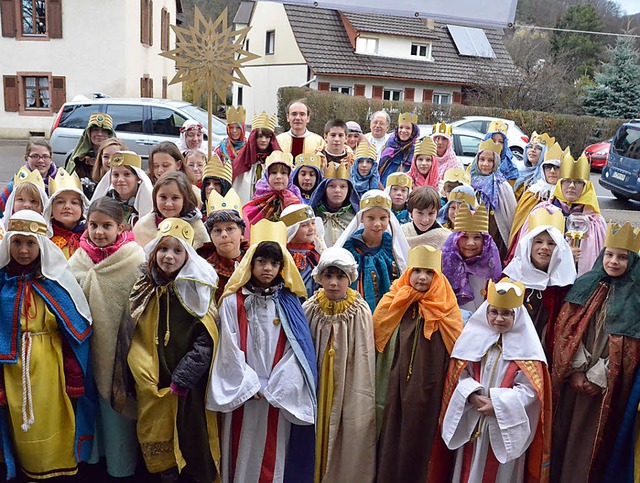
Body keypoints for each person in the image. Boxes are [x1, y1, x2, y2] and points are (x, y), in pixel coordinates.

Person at [207, 220, 317, 483]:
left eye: (274, 263)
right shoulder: (233, 302)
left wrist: (278, 385)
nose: (267, 268)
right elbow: (227, 348)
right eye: (261, 262)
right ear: (250, 264)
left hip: (278, 394)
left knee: (274, 454)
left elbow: (297, 351)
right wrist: (249, 383)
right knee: (240, 451)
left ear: (282, 267)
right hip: (245, 393)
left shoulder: (290, 303)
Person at [117, 218, 220, 482]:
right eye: (163, 249)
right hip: (153, 380)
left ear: (188, 256)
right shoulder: (143, 287)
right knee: (158, 439)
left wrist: (183, 378)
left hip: (188, 386)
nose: (169, 257)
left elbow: (206, 340)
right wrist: (143, 374)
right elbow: (132, 335)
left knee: (191, 437)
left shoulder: (198, 291)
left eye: (177, 250)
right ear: (153, 252)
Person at [0, 210, 95, 480]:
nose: (23, 250)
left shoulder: (54, 283)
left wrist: (74, 373)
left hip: (51, 368)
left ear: (42, 245)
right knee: (20, 424)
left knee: (53, 420)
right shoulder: (2, 283)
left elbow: (74, 332)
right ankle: (26, 469)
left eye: (31, 243)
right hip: (12, 369)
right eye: (17, 242)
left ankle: (58, 468)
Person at [551, 222, 640, 483]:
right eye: (610, 255)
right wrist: (576, 371)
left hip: (602, 389)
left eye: (623, 257)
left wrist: (597, 377)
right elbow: (565, 330)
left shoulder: (636, 298)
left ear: (633, 262)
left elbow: (630, 349)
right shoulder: (585, 284)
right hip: (572, 380)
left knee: (587, 439)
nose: (614, 262)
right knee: (563, 431)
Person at [440, 278, 551, 483]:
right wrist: (472, 395)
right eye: (494, 312)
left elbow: (530, 390)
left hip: (504, 423)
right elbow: (460, 375)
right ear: (486, 313)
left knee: (500, 473)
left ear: (517, 315)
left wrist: (498, 404)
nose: (499, 319)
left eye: (506, 313)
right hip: (473, 418)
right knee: (467, 466)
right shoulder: (471, 340)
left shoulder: (528, 351)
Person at [68, 197, 144, 478]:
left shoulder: (135, 258)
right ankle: (92, 460)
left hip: (120, 351)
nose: (99, 232)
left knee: (118, 416)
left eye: (106, 226)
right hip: (86, 350)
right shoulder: (79, 258)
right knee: (92, 409)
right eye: (93, 225)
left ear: (120, 226)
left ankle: (121, 465)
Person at [374, 245, 463, 483]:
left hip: (429, 386)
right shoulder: (393, 299)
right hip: (392, 382)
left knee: (422, 434)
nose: (422, 277)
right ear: (408, 273)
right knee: (391, 429)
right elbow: (377, 334)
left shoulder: (446, 306)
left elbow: (456, 344)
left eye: (429, 272)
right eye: (417, 271)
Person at [303, 247, 376, 483]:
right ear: (320, 278)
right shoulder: (310, 308)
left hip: (346, 384)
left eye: (340, 277)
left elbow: (363, 357)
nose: (333, 283)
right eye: (328, 276)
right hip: (316, 386)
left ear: (350, 278)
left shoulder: (359, 311)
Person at [503, 208, 576, 360]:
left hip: (545, 352)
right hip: (511, 347)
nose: (544, 247)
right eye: (538, 242)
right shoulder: (510, 276)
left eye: (551, 243)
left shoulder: (565, 284)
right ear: (528, 245)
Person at [530, 152, 606, 277]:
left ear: (586, 187)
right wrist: (563, 255)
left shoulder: (595, 221)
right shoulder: (542, 212)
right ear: (560, 184)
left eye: (577, 182)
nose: (571, 186)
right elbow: (527, 252)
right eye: (567, 181)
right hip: (546, 280)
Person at [335, 190, 409, 312]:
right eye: (371, 218)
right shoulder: (349, 248)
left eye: (383, 218)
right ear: (362, 218)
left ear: (389, 219)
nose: (377, 224)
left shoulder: (394, 249)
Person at [441, 204, 502, 313]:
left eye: (477, 237)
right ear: (455, 240)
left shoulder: (490, 267)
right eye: (464, 237)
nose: (470, 243)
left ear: (485, 241)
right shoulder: (444, 266)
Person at [507, 142, 564, 259]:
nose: (552, 171)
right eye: (548, 167)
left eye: (557, 167)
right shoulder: (533, 192)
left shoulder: (566, 195)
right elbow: (520, 220)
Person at [133, 171, 209, 249]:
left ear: (185, 199)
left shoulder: (197, 229)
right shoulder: (142, 227)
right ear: (155, 198)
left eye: (175, 198)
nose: (168, 204)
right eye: (163, 197)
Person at [197, 187, 248, 302]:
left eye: (230, 229)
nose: (224, 235)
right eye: (217, 230)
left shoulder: (253, 261)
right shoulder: (202, 266)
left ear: (241, 232)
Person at [469, 138, 517, 258]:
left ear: (495, 163)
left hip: (496, 229)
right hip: (475, 229)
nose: (485, 164)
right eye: (482, 159)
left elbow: (510, 212)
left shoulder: (502, 185)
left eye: (490, 161)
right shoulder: (470, 182)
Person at [92, 151, 154, 229]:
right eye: (116, 175)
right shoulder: (106, 199)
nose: (120, 179)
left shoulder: (147, 201)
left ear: (138, 177)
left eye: (127, 174)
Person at [232, 111, 281, 204]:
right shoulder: (242, 160)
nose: (263, 140)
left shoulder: (276, 161)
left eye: (267, 137)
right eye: (260, 136)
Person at [242, 150, 302, 225]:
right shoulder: (260, 197)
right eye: (273, 172)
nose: (278, 177)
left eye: (284, 173)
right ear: (267, 176)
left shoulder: (295, 199)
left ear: (290, 176)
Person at [0, 139, 57, 218]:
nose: (40, 160)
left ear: (51, 159)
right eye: (35, 156)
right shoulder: (14, 187)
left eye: (45, 156)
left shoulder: (58, 185)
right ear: (26, 158)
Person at [310, 162, 360, 247]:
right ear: (324, 189)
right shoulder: (314, 216)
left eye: (343, 186)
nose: (337, 190)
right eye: (332, 186)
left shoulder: (356, 218)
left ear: (349, 190)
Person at [43, 168, 90, 259]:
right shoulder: (45, 237)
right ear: (51, 208)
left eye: (74, 203)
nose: (67, 206)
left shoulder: (90, 236)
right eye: (60, 202)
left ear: (83, 207)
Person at [281, 203, 326, 298]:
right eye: (304, 225)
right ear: (291, 230)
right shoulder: (284, 256)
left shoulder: (317, 252)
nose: (311, 229)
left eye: (313, 223)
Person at [67, 112, 116, 194]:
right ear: (88, 133)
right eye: (95, 130)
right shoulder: (78, 160)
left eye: (104, 131)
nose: (99, 134)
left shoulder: (117, 158)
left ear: (110, 135)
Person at [1, 167, 49, 233]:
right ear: (12, 202)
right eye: (21, 199)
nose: (27, 205)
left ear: (42, 206)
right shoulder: (2, 228)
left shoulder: (49, 231)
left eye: (33, 201)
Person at [378, 112, 420, 184]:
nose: (403, 131)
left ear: (413, 131)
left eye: (408, 128)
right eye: (401, 127)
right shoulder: (389, 144)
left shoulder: (417, 149)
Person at [514, 132, 555, 198]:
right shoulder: (519, 171)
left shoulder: (547, 177)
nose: (533, 150)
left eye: (538, 148)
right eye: (530, 147)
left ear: (545, 153)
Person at [483, 120, 519, 184]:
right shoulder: (475, 166)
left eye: (501, 141)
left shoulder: (511, 169)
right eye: (493, 141)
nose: (497, 144)